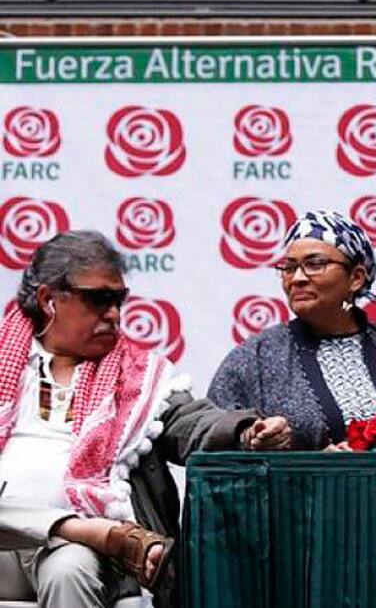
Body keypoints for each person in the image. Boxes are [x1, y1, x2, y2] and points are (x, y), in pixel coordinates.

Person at [0, 230, 290, 608]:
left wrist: (246, 431)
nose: (113, 314)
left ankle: (80, 532)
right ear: (48, 299)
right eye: (98, 299)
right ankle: (83, 528)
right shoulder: (7, 359)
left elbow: (190, 421)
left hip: (74, 554)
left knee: (69, 570)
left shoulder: (138, 377)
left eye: (118, 300)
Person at [209, 210, 376, 450]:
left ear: (356, 277)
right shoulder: (256, 357)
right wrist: (305, 459)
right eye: (289, 268)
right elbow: (213, 442)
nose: (297, 278)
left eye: (315, 264)